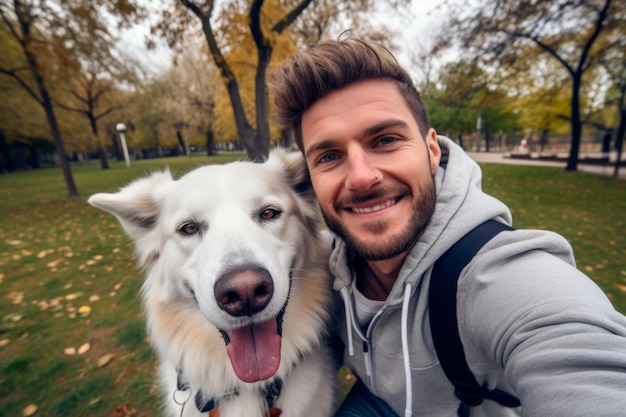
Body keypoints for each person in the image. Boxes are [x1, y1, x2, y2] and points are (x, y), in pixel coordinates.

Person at [267, 37, 626, 417]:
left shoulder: (497, 277)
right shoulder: (324, 266)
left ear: (432, 149)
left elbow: (587, 365)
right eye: (329, 156)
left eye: (385, 140)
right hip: (377, 401)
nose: (360, 177)